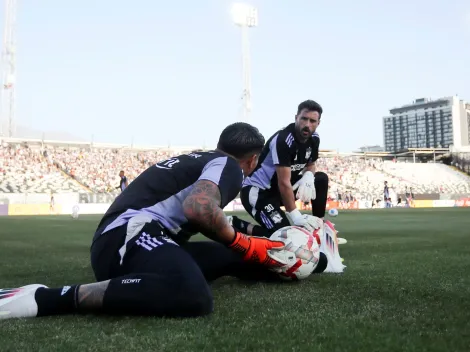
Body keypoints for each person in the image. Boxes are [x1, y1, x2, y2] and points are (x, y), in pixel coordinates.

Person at [0, 122, 287, 320]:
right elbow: (200, 209)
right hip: (130, 234)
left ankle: (298, 266)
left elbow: (217, 218)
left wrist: (265, 242)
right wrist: (244, 243)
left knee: (240, 257)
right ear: (252, 160)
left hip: (127, 238)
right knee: (191, 293)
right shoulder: (230, 167)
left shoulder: (204, 160)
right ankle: (48, 298)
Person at [231, 100, 329, 238]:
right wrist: (295, 216)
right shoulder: (283, 140)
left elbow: (311, 165)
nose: (307, 125)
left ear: (318, 123)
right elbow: (284, 182)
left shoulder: (314, 139)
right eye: (304, 119)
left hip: (279, 191)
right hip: (259, 192)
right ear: (296, 118)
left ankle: (320, 229)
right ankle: (236, 224)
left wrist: (308, 176)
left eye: (312, 121)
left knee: (320, 179)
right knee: (286, 236)